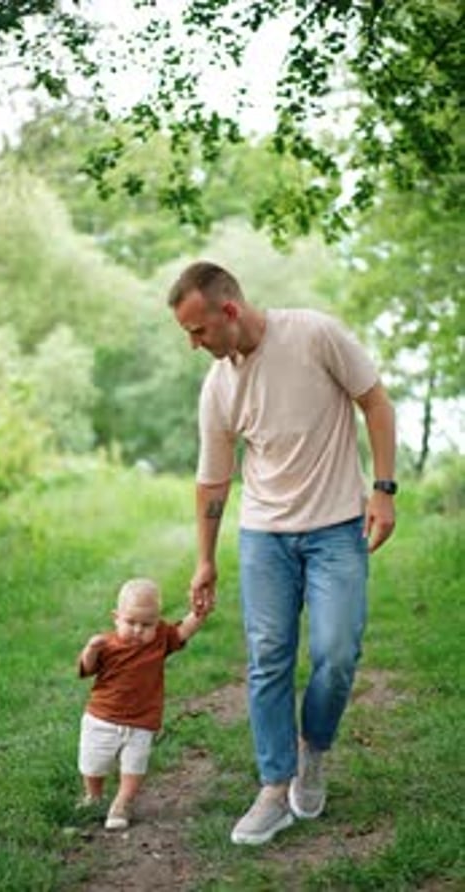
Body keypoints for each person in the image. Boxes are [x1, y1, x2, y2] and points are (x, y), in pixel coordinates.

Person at [168, 261, 396, 846]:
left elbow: (376, 403)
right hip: (264, 536)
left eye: (198, 331)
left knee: (337, 652)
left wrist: (384, 490)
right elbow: (214, 480)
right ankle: (275, 787)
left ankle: (312, 749)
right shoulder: (218, 384)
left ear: (229, 311)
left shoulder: (314, 334)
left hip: (337, 528)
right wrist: (205, 559)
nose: (194, 345)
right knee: (269, 657)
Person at [77, 577, 206, 830]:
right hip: (102, 716)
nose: (138, 630)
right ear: (116, 617)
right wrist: (90, 649)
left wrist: (198, 614)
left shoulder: (160, 639)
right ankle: (93, 795)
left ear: (157, 622)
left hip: (142, 720)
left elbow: (183, 630)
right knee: (93, 763)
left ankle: (122, 802)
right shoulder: (108, 644)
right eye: (131, 622)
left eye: (147, 624)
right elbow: (87, 668)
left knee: (134, 765)